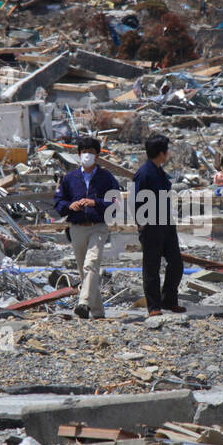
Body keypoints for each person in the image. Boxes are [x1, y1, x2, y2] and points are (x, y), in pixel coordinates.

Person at [53, 136, 119, 319]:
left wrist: (95, 202)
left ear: (97, 155)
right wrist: (69, 206)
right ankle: (97, 312)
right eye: (84, 152)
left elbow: (115, 201)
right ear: (79, 155)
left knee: (91, 264)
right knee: (85, 271)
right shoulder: (69, 178)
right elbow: (58, 202)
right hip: (76, 228)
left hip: (98, 226)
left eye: (91, 152)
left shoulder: (106, 178)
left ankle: (83, 304)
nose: (87, 155)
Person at [134, 134, 184, 317]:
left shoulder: (159, 172)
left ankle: (169, 299)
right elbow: (136, 201)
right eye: (167, 150)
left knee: (176, 264)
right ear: (161, 153)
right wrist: (142, 224)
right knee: (151, 267)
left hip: (166, 224)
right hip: (151, 226)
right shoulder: (144, 173)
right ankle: (154, 306)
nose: (168, 153)